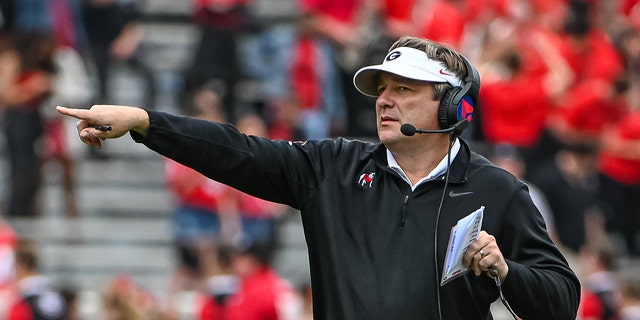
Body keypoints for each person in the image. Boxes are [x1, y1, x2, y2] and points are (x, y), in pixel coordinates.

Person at [56, 36, 580, 319]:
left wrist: (505, 270)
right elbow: (238, 153)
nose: (385, 101)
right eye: (382, 89)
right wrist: (148, 123)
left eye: (405, 89)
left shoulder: (497, 189)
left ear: (452, 106)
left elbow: (561, 299)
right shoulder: (332, 167)